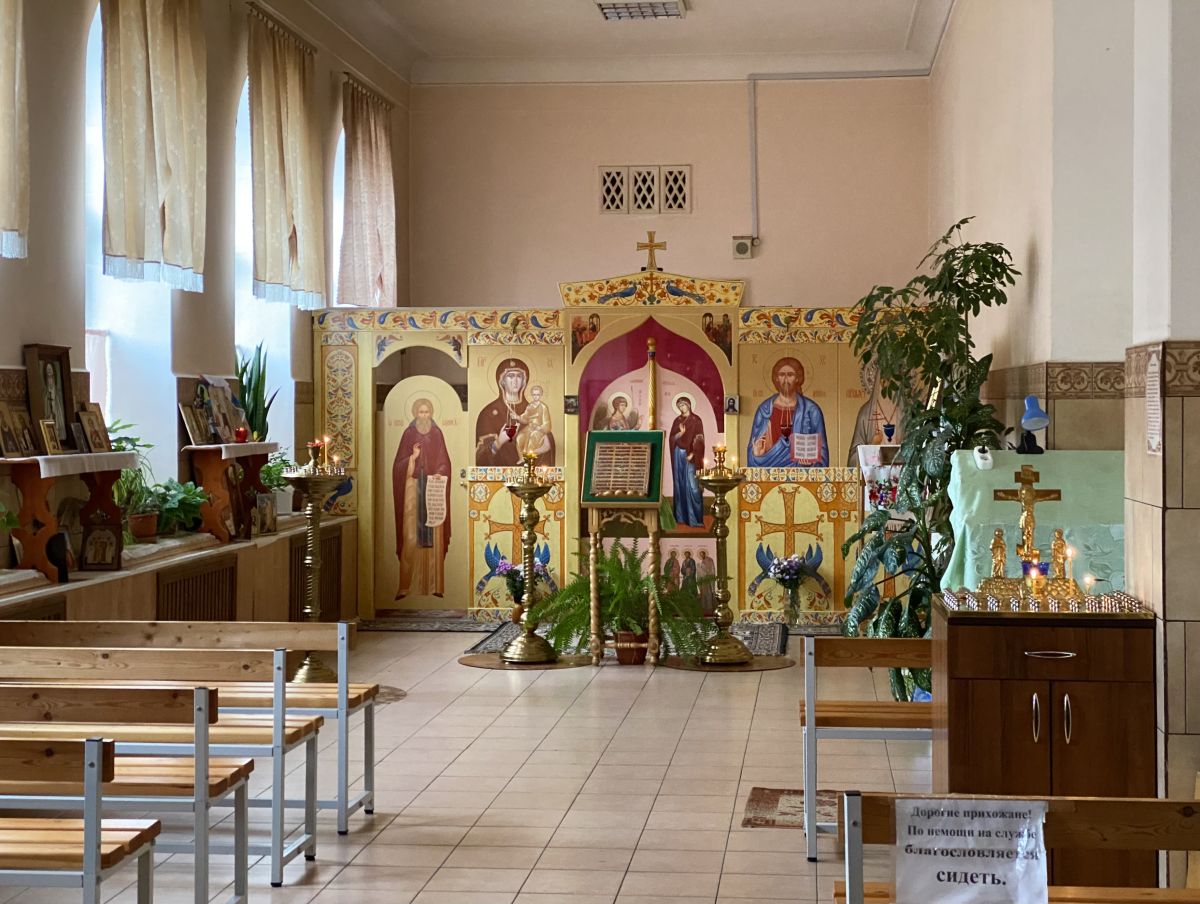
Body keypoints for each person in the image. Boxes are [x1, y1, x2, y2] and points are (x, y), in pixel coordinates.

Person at [394, 398, 452, 599]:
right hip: (412, 488)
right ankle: (405, 586)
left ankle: (435, 586)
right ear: (415, 413)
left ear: (431, 413)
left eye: (427, 412)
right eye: (421, 412)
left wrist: (440, 472)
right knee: (410, 537)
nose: (424, 416)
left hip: (433, 490)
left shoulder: (437, 433)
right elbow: (398, 466)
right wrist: (412, 457)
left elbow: (444, 461)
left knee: (434, 537)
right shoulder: (408, 434)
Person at [747, 357, 828, 467]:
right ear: (776, 378)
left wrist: (810, 463)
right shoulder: (764, 410)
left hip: (802, 475)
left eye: (790, 375)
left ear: (798, 378)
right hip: (768, 471)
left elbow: (822, 454)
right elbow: (753, 451)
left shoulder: (811, 410)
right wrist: (756, 455)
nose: (785, 379)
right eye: (781, 375)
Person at [475, 358, 555, 465]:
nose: (515, 380)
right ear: (502, 381)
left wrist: (544, 444)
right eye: (511, 376)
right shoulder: (488, 413)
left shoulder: (533, 408)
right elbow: (480, 458)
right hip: (499, 473)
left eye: (519, 376)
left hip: (528, 472)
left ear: (524, 381)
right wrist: (499, 441)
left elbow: (546, 439)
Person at [846, 361, 904, 466]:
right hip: (874, 473)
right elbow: (852, 460)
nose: (888, 384)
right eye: (884, 380)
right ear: (878, 380)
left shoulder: (905, 413)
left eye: (893, 380)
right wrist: (871, 446)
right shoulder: (866, 413)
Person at [669, 393, 705, 527]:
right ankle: (681, 517)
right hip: (678, 454)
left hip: (691, 456)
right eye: (679, 406)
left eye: (683, 405)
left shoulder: (696, 420)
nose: (682, 408)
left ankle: (695, 519)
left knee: (693, 485)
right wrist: (681, 433)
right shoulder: (677, 421)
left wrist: (693, 453)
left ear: (689, 405)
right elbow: (672, 438)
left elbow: (700, 439)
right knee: (680, 484)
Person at [516, 385, 552, 457]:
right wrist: (517, 417)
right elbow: (525, 418)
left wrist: (539, 428)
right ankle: (522, 458)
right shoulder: (530, 406)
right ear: (532, 395)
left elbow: (547, 423)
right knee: (519, 437)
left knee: (532, 438)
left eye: (537, 395)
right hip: (530, 427)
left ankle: (529, 459)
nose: (536, 396)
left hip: (539, 429)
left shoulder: (543, 407)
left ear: (541, 395)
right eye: (534, 395)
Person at [42, 362, 67, 443]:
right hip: (48, 400)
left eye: (50, 369)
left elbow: (54, 389)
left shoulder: (54, 381)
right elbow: (47, 389)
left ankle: (58, 434)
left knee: (56, 416)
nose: (49, 371)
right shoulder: (46, 381)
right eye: (48, 369)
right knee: (49, 415)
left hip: (55, 400)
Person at [697, 548, 716, 613]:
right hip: (703, 580)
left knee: (708, 593)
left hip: (707, 579)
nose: (701, 556)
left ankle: (709, 607)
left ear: (705, 554)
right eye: (700, 555)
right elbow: (699, 572)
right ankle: (703, 607)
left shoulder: (709, 560)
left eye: (702, 554)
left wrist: (707, 573)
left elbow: (711, 570)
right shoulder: (700, 562)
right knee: (703, 593)